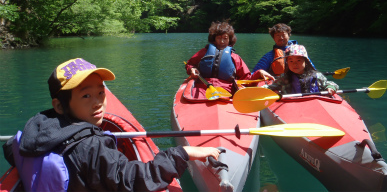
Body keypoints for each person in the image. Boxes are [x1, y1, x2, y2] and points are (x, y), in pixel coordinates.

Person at [2, 58, 220, 192]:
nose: (98, 102)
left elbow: (11, 150)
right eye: (86, 95)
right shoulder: (91, 147)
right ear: (59, 106)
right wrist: (181, 153)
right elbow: (135, 180)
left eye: (100, 92)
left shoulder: (36, 128)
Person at [186, 21, 255, 98]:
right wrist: (191, 69)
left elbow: (246, 78)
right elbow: (190, 64)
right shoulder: (204, 52)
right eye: (219, 38)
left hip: (227, 90)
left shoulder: (235, 57)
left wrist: (258, 73)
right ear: (214, 39)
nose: (222, 42)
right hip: (202, 88)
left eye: (225, 38)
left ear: (230, 40)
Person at [263, 45, 338, 95]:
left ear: (306, 62)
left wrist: (331, 87)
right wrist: (274, 91)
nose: (295, 64)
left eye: (298, 60)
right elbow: (270, 88)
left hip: (313, 105)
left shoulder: (317, 76)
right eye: (291, 61)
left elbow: (331, 84)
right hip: (292, 106)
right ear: (287, 63)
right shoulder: (284, 78)